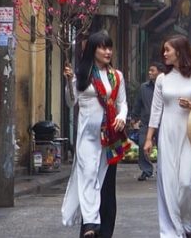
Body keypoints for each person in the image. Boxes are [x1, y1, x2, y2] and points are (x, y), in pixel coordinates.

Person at [61, 31, 129, 238]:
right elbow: (71, 101)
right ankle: (90, 223)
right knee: (89, 175)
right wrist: (69, 82)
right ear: (93, 50)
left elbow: (122, 103)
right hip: (87, 137)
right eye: (102, 47)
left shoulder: (116, 76)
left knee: (106, 186)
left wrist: (122, 118)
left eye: (109, 47)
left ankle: (103, 230)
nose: (107, 51)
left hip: (109, 138)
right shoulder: (82, 75)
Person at [143, 35, 191, 238]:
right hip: (168, 134)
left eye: (168, 50)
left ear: (179, 52)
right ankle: (171, 231)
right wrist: (149, 138)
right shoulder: (162, 79)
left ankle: (189, 223)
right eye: (164, 50)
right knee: (169, 184)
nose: (164, 54)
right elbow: (156, 110)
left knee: (186, 182)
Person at [129, 63, 163, 182]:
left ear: (159, 72)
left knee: (163, 147)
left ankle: (162, 169)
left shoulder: (165, 86)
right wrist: (134, 117)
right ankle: (146, 170)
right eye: (149, 70)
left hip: (162, 122)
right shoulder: (144, 87)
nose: (149, 73)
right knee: (143, 145)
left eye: (152, 70)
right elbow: (138, 103)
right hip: (146, 122)